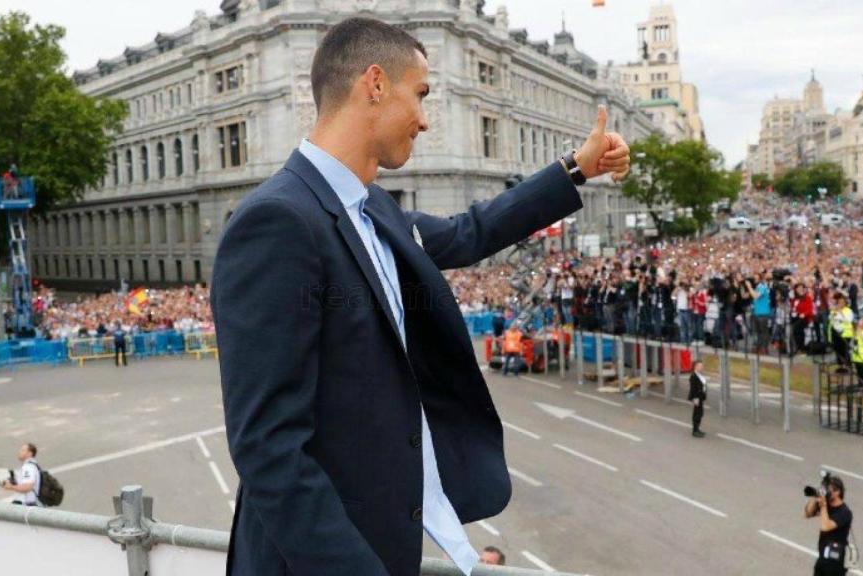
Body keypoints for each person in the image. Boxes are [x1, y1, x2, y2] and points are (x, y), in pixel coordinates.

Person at [210, 17, 630, 576]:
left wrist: (575, 169)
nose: (427, 119)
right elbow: (268, 447)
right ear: (375, 84)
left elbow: (468, 231)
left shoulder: (373, 208)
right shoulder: (276, 221)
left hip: (382, 544)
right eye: (422, 94)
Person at [805, 475, 852, 576]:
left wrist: (823, 506)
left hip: (835, 562)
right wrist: (816, 496)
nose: (827, 493)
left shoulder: (844, 512)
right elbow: (807, 513)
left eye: (829, 490)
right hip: (823, 559)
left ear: (838, 492)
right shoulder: (827, 505)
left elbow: (825, 526)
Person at [829, 293, 854, 372]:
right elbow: (830, 319)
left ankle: (847, 365)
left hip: (845, 334)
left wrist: (841, 313)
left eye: (842, 303)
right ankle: (841, 366)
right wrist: (834, 313)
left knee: (844, 350)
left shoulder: (848, 311)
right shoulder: (834, 310)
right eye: (839, 302)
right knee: (837, 350)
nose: (840, 304)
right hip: (835, 333)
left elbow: (848, 320)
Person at [688, 360, 707, 438]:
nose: (701, 367)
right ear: (695, 367)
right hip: (697, 398)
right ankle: (695, 430)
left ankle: (697, 429)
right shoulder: (693, 376)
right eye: (700, 366)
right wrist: (695, 398)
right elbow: (693, 388)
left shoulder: (700, 375)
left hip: (700, 397)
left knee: (700, 413)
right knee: (697, 414)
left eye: (702, 366)